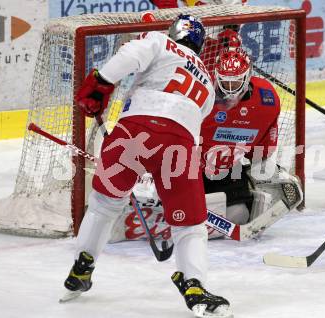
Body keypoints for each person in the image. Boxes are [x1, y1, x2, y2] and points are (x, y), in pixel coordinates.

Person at [63, 14, 233, 318]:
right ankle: (194, 284)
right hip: (180, 145)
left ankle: (81, 267)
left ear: (173, 32)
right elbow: (192, 118)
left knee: (103, 205)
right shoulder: (207, 80)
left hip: (132, 132)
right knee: (189, 226)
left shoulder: (159, 40)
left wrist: (99, 84)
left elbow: (129, 56)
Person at [201, 46, 303, 225]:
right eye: (225, 83)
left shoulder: (266, 100)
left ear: (247, 78)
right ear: (215, 76)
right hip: (188, 169)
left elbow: (260, 151)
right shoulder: (202, 95)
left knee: (239, 216)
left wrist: (261, 169)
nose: (230, 89)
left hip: (228, 171)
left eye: (236, 82)